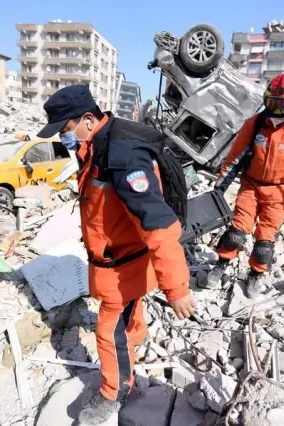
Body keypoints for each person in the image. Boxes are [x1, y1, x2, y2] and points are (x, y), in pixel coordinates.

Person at [37, 85, 196, 423]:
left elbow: (159, 225)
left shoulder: (122, 158)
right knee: (128, 323)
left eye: (66, 129)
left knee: (109, 331)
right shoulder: (97, 146)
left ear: (88, 119)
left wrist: (177, 289)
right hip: (117, 264)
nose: (65, 137)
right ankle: (131, 354)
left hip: (125, 269)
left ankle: (114, 393)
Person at [207, 72, 284, 298]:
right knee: (236, 232)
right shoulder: (253, 125)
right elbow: (234, 158)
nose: (278, 110)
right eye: (273, 103)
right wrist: (218, 190)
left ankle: (255, 275)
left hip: (279, 191)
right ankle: (221, 264)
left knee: (265, 243)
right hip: (251, 186)